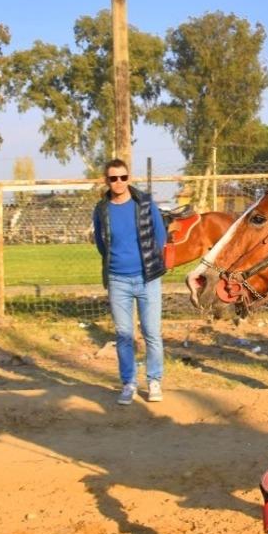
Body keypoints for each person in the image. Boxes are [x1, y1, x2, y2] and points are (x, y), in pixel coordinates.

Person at [92, 159, 168, 405]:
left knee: (152, 333)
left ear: (128, 178)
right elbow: (102, 243)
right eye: (113, 178)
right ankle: (128, 383)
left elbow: (160, 235)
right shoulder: (101, 209)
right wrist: (116, 263)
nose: (119, 182)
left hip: (147, 278)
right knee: (124, 335)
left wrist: (149, 260)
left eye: (123, 177)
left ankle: (154, 381)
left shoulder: (144, 203)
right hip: (118, 280)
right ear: (107, 180)